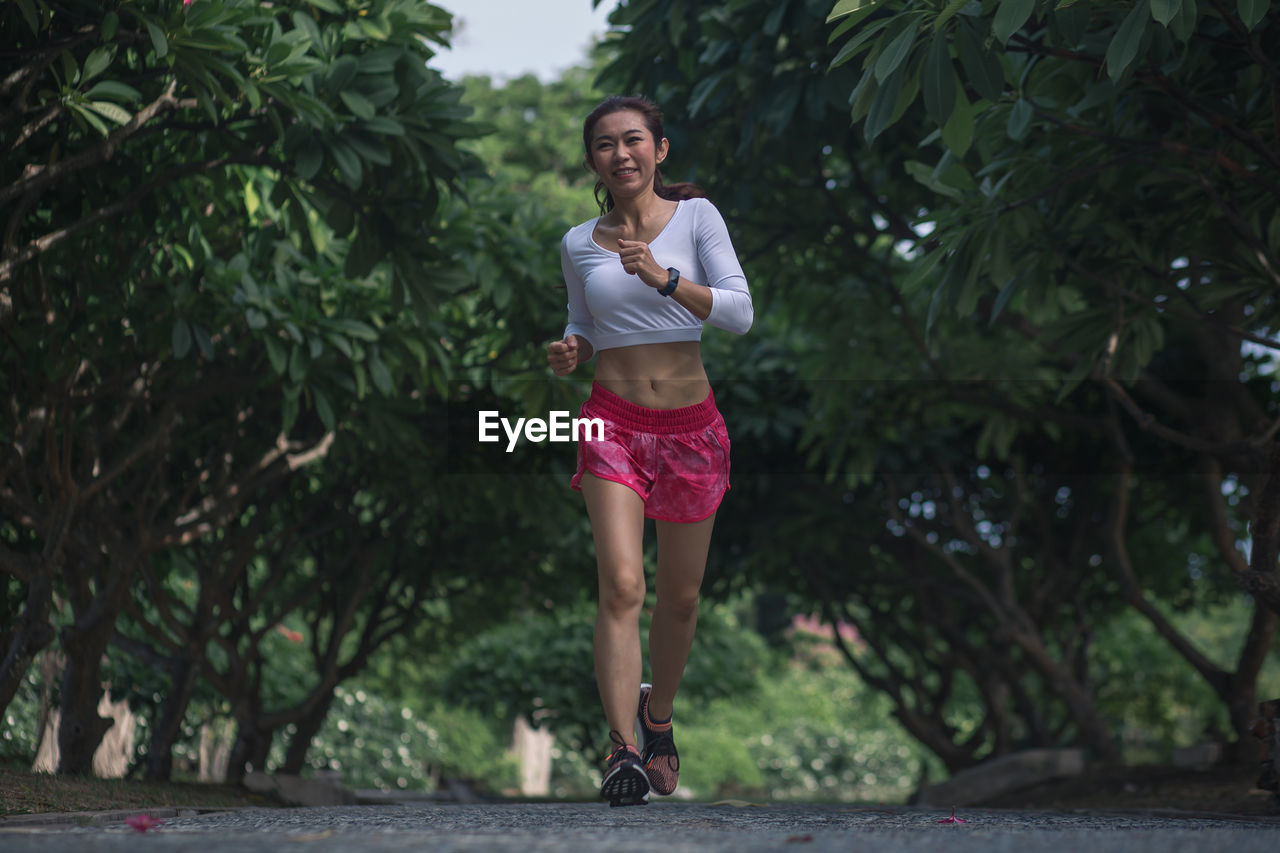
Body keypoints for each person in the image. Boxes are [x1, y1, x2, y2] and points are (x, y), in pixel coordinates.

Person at [546, 95, 753, 807]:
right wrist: (573, 347)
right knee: (623, 586)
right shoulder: (577, 242)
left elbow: (740, 311)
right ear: (593, 161)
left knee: (682, 596)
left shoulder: (697, 219)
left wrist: (664, 276)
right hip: (612, 422)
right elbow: (585, 320)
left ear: (659, 150)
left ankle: (656, 716)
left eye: (634, 140)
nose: (621, 153)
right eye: (605, 144)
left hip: (692, 427)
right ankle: (623, 749)